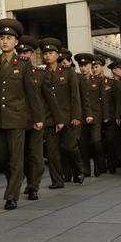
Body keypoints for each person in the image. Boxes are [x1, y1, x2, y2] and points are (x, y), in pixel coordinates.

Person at [0, 18, 43, 209]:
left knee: (17, 158)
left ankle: (12, 195)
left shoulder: (24, 63)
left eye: (9, 38)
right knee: (2, 159)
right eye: (2, 38)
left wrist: (37, 118)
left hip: (18, 118)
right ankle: (14, 182)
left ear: (16, 42)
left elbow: (32, 93)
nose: (5, 41)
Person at [18, 35, 56, 199]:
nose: (24, 56)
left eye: (27, 53)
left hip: (36, 121)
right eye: (20, 53)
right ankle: (29, 180)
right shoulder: (11, 73)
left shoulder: (39, 74)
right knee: (22, 156)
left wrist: (57, 119)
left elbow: (50, 98)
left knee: (35, 155)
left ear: (32, 55)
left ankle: (34, 186)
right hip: (18, 121)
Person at [39, 38, 80, 186]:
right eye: (45, 54)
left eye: (51, 53)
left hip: (68, 116)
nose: (48, 56)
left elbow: (75, 95)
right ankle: (57, 180)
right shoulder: (41, 73)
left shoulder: (68, 72)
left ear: (57, 55)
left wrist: (76, 116)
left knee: (69, 147)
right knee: (52, 153)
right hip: (50, 118)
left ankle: (78, 170)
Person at [77, 53, 107, 176]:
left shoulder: (98, 81)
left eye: (85, 65)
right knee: (83, 144)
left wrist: (105, 116)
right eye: (80, 65)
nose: (83, 68)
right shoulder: (77, 80)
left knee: (96, 141)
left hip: (96, 116)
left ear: (90, 65)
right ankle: (86, 169)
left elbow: (104, 99)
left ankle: (99, 165)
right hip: (81, 116)